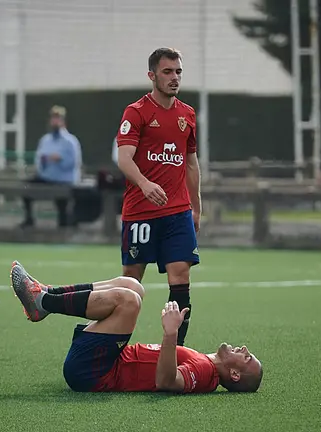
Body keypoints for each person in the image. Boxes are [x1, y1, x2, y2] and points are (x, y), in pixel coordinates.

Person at [9, 261, 263, 394]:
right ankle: (46, 293)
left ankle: (43, 302)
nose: (244, 349)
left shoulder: (206, 373)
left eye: (246, 357)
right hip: (104, 362)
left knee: (130, 301)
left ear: (236, 375)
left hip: (95, 373)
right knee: (132, 285)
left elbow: (167, 381)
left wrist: (171, 334)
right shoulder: (205, 363)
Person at [115, 47, 201, 347]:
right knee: (130, 283)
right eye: (167, 72)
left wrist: (196, 208)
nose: (174, 77)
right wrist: (144, 183)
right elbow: (124, 159)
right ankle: (111, 349)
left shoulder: (188, 114)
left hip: (177, 213)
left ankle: (174, 352)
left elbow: (191, 163)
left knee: (180, 277)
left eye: (178, 72)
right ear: (152, 75)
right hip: (140, 212)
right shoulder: (136, 112)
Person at [21, 105, 83, 228]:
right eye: (53, 119)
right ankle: (29, 220)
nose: (55, 122)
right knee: (26, 188)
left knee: (62, 205)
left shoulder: (70, 141)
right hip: (46, 177)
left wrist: (60, 159)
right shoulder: (45, 140)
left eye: (57, 119)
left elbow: (75, 162)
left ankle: (64, 226)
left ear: (63, 121)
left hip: (64, 180)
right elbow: (38, 159)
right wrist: (44, 161)